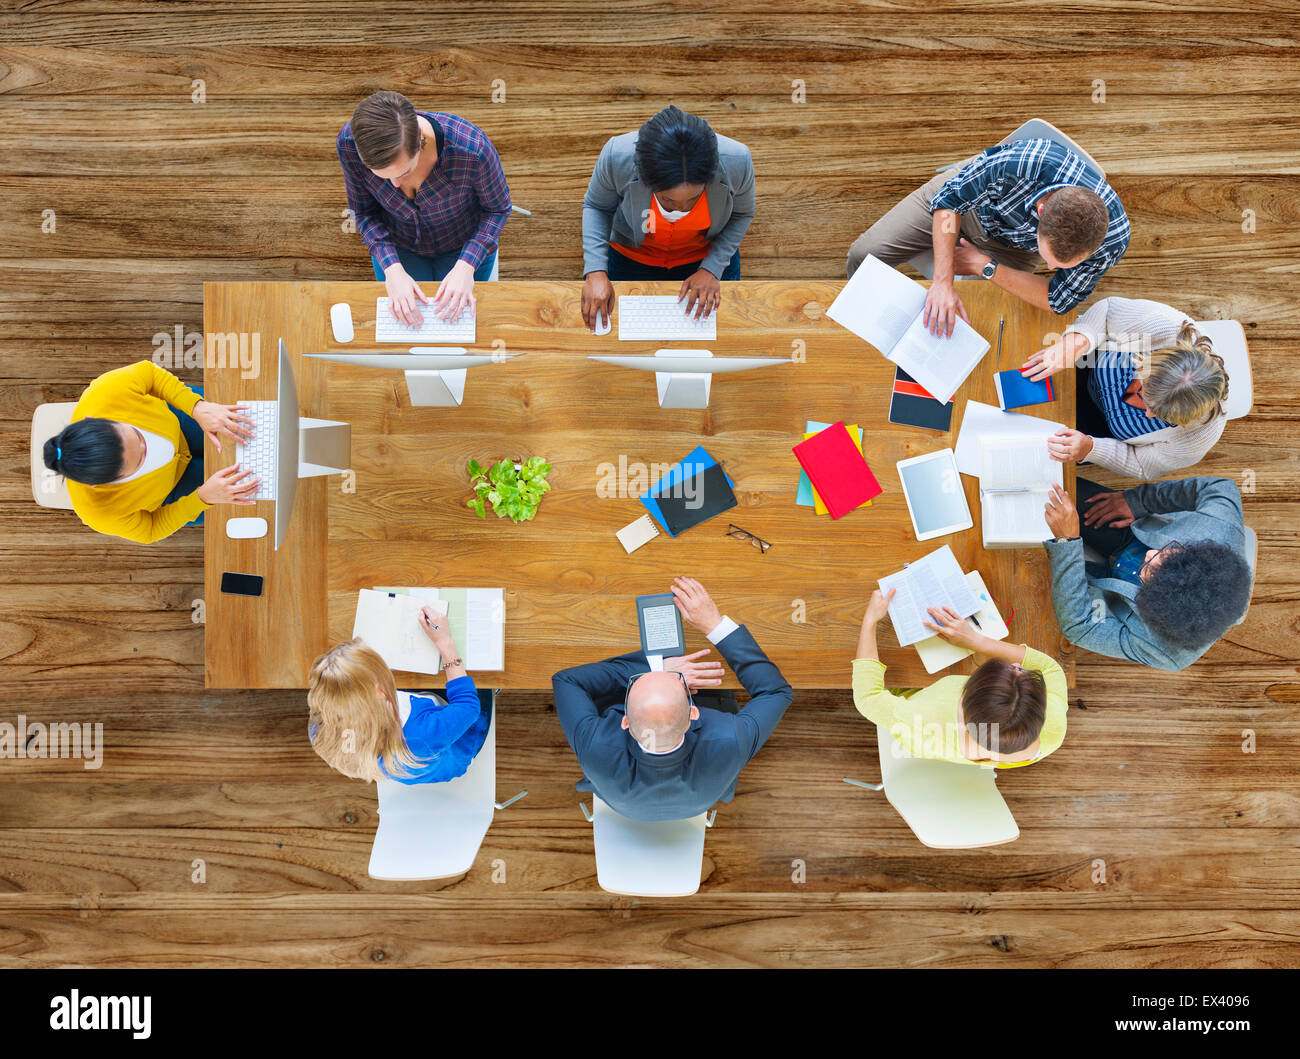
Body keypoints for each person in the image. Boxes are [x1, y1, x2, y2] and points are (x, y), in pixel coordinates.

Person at [552, 577, 793, 821]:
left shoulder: (596, 745)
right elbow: (776, 692)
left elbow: (566, 681)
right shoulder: (730, 739)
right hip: (697, 797)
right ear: (693, 711)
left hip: (630, 802)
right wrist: (714, 626)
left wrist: (654, 667)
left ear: (625, 720)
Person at [846, 137, 1129, 335]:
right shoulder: (1019, 164)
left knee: (972, 322)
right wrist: (942, 283)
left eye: (1058, 266)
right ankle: (860, 321)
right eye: (1051, 260)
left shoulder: (1112, 240)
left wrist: (984, 265)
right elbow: (948, 201)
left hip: (1012, 248)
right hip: (964, 204)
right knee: (864, 254)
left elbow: (1057, 299)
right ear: (1041, 212)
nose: (1052, 270)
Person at [338, 90, 512, 326]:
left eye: (404, 171)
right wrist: (391, 269)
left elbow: (497, 210)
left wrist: (466, 266)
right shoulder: (349, 144)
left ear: (420, 138)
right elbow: (365, 212)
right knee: (406, 338)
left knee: (463, 337)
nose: (395, 185)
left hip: (465, 248)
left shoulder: (473, 149)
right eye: (381, 177)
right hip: (397, 250)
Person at [1043, 477, 1253, 671]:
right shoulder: (1220, 526)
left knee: (1028, 563)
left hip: (1094, 589)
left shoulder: (1168, 654)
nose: (1150, 553)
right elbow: (1220, 486)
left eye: (1150, 570)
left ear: (1155, 606)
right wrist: (1137, 501)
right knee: (1054, 488)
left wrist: (1066, 543)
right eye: (1168, 552)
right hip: (1130, 530)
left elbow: (1079, 626)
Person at [42, 360, 258, 543]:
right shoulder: (99, 513)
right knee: (258, 490)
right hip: (176, 489)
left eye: (137, 436)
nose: (149, 448)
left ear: (95, 419)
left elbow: (150, 374)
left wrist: (196, 407)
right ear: (97, 485)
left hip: (182, 418)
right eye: (140, 461)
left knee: (255, 423)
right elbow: (151, 530)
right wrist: (202, 498)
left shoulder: (104, 393)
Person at [580, 105, 754, 329]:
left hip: (708, 258)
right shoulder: (617, 155)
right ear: (645, 178)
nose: (679, 210)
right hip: (630, 257)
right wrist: (595, 271)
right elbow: (596, 206)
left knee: (714, 347)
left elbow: (742, 213)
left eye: (693, 199)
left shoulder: (737, 161)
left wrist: (712, 269)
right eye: (668, 200)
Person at [1019, 297, 1230, 480]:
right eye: (1142, 391)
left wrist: (1090, 449)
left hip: (1095, 431)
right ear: (1147, 361)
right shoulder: (1167, 327)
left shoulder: (1195, 440)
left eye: (1161, 416)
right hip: (1083, 364)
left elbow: (1141, 466)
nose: (1147, 413)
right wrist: (1074, 344)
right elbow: (1108, 311)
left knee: (1024, 450)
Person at [853, 588, 1068, 768]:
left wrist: (870, 620)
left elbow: (868, 697)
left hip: (913, 703)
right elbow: (1050, 668)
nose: (1017, 663)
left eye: (1014, 669)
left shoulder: (918, 719)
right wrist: (975, 641)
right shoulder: (1053, 732)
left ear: (963, 698)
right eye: (1020, 671)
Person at [307, 606, 490, 784]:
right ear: (379, 690)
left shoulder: (322, 729)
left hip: (411, 755)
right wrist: (445, 643)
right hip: (457, 744)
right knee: (484, 677)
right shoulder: (420, 733)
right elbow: (468, 707)